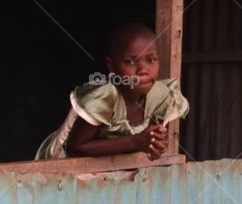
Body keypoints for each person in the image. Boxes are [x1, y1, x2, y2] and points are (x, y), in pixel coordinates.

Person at [35, 23, 189, 160]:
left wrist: (154, 146)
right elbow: (76, 148)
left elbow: (151, 142)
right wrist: (135, 142)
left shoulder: (161, 96)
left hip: (110, 171)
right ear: (111, 66)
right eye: (130, 62)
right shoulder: (104, 97)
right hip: (60, 168)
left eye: (151, 60)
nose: (143, 71)